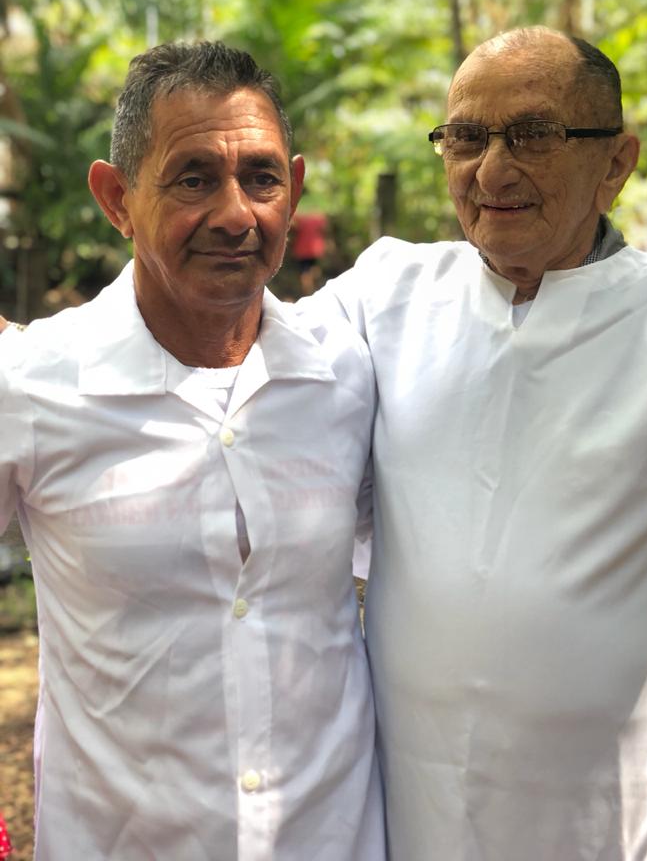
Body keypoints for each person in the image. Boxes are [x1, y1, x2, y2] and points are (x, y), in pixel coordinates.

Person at [309, 26, 647, 860]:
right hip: (423, 800)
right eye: (466, 138)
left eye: (532, 135)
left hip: (622, 812)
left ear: (615, 164)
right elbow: (247, 370)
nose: (491, 172)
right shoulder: (387, 291)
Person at [0, 42, 384, 859]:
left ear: (295, 189)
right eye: (194, 179)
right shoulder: (32, 385)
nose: (237, 215)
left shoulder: (348, 372)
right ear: (117, 198)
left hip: (330, 839)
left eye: (262, 178)